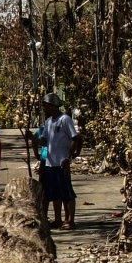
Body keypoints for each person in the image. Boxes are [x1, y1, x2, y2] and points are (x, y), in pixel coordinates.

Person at [34, 95, 80, 230]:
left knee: (66, 192)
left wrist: (69, 156)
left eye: (46, 106)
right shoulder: (48, 122)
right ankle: (58, 219)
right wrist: (34, 139)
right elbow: (44, 142)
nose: (45, 109)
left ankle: (70, 220)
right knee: (54, 193)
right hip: (50, 163)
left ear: (52, 106)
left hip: (61, 162)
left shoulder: (65, 119)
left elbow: (75, 138)